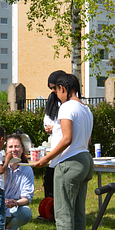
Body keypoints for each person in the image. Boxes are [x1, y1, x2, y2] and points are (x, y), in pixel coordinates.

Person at [32, 73, 94, 230]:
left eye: (57, 90)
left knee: (63, 210)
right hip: (85, 160)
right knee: (78, 210)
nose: (56, 94)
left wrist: (47, 158)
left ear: (64, 89)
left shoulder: (67, 107)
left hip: (69, 163)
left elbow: (66, 139)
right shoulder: (86, 109)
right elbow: (87, 141)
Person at [42, 70, 66, 202]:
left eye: (54, 88)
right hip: (53, 143)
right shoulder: (52, 99)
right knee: (49, 178)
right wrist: (48, 127)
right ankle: (49, 207)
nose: (53, 91)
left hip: (63, 147)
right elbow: (48, 119)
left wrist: (56, 128)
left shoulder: (69, 103)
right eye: (51, 88)